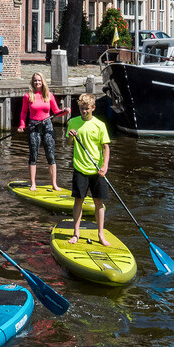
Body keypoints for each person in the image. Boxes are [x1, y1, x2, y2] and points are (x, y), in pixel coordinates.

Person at [67, 92, 112, 245]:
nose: (84, 112)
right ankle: (76, 233)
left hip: (97, 170)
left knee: (98, 202)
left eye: (86, 109)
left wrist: (105, 166)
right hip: (80, 168)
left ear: (93, 107)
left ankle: (100, 234)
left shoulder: (100, 125)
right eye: (81, 109)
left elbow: (106, 147)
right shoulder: (73, 122)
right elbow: (68, 143)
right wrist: (71, 136)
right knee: (78, 200)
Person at [19, 72, 63, 191]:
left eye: (39, 80)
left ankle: (54, 184)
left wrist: (65, 111)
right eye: (35, 81)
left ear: (43, 81)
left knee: (50, 154)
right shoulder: (28, 96)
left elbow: (56, 111)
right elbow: (23, 112)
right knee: (34, 154)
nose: (37, 83)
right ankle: (33, 183)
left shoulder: (49, 95)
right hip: (34, 125)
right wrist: (22, 125)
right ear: (32, 82)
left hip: (47, 126)